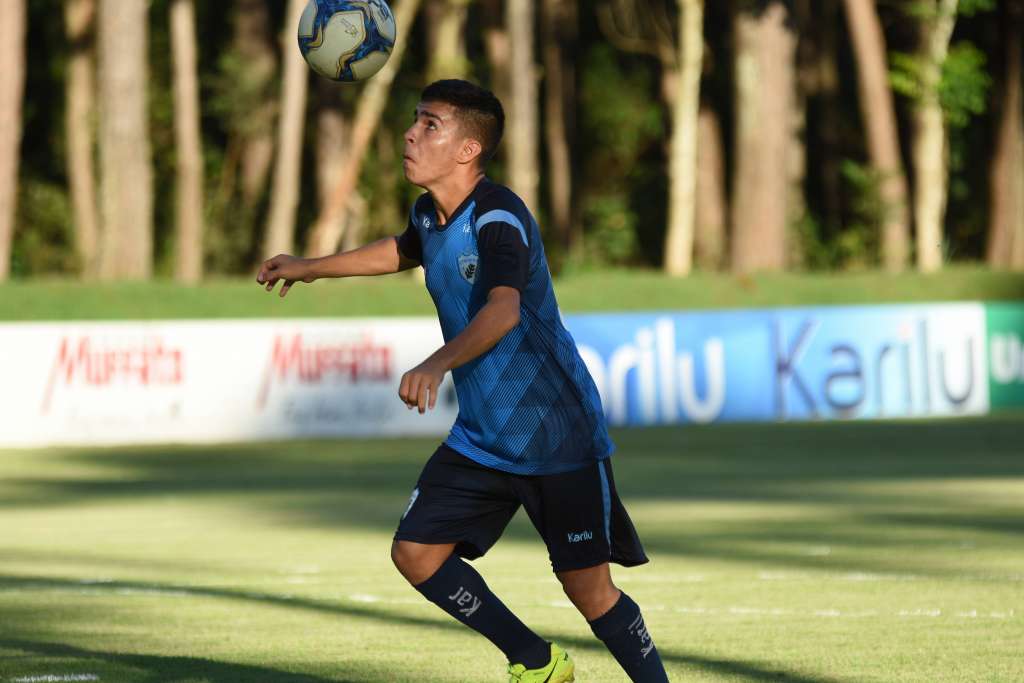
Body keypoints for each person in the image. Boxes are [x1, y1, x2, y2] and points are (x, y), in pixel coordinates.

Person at [257, 79, 669, 683]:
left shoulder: (499, 216)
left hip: (555, 433)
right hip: (483, 437)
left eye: (430, 124)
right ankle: (536, 661)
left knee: (590, 592)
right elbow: (402, 249)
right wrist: (311, 268)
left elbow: (503, 309)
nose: (411, 133)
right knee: (417, 554)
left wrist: (436, 362)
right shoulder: (429, 213)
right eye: (415, 120)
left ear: (467, 150)